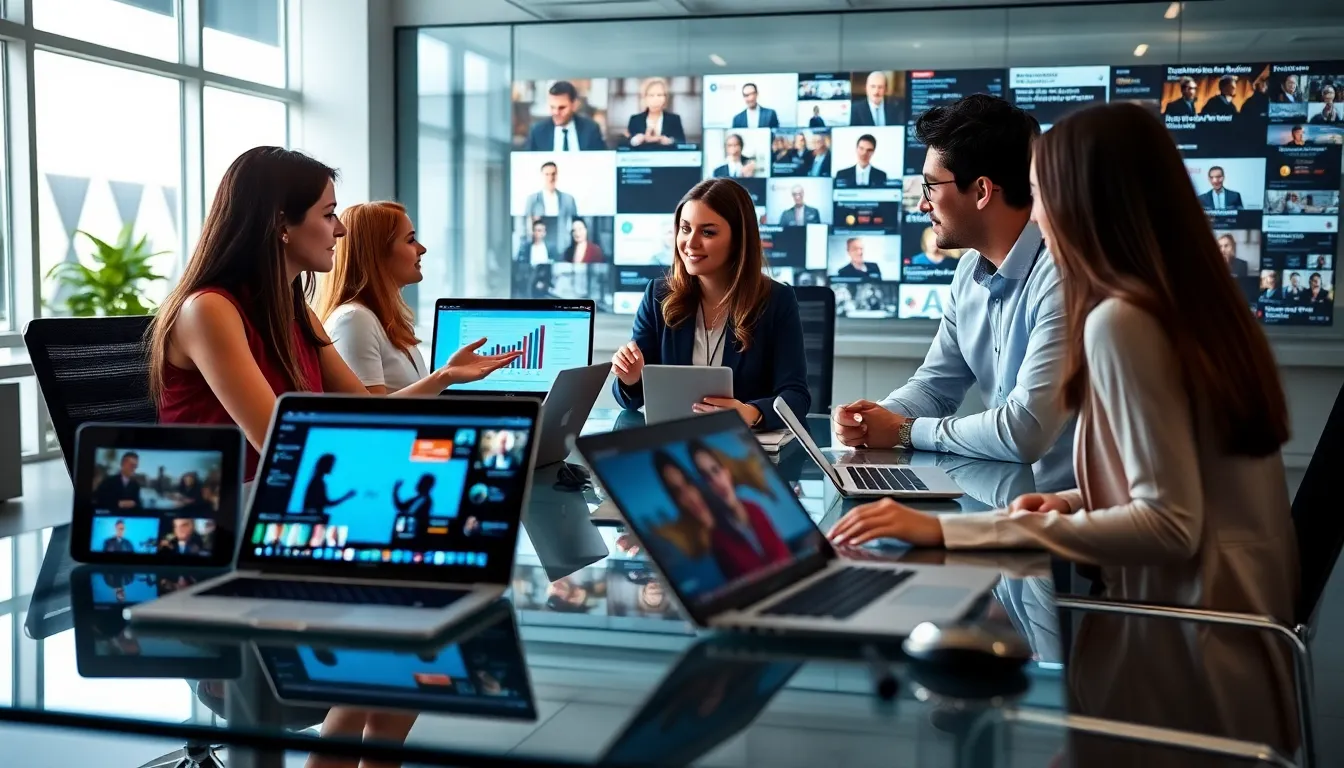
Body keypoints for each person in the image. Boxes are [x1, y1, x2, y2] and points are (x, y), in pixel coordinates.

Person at [826, 101, 1297, 755]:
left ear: (1080, 199)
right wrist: (1079, 499)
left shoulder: (1118, 320)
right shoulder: (1191, 305)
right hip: (1244, 655)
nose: (1037, 214)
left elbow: (1168, 522)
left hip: (1182, 666)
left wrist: (946, 529)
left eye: (1042, 192)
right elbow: (1177, 484)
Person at [149, 148, 445, 481]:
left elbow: (366, 411)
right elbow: (282, 444)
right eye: (329, 214)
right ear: (280, 223)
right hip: (222, 512)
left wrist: (445, 429)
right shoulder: (208, 310)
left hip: (279, 497)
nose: (341, 230)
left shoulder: (295, 311)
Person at [832, 94, 1074, 465]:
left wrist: (902, 430)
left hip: (1065, 509)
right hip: (1001, 494)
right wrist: (871, 419)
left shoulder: (1061, 276)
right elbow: (935, 386)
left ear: (981, 191)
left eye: (931, 186)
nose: (922, 204)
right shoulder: (968, 271)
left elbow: (1023, 431)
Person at [611, 178, 810, 430]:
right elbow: (632, 400)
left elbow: (796, 397)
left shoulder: (775, 301)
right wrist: (630, 379)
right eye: (685, 229)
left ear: (739, 239)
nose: (690, 243)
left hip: (746, 456)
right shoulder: (658, 295)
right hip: (673, 447)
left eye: (707, 232)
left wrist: (750, 413)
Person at [317, 201, 520, 394]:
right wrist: (444, 376)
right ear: (378, 253)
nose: (422, 249)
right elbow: (371, 417)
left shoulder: (388, 319)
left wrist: (446, 375)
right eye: (410, 240)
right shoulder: (354, 320)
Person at [650, 450, 768, 582]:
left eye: (688, 483)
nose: (689, 496)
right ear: (675, 501)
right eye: (678, 492)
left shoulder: (739, 515)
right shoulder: (691, 547)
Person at [688, 439, 791, 564]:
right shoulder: (718, 538)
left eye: (716, 470)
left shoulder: (754, 509)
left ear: (726, 472)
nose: (715, 480)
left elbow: (784, 556)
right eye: (706, 477)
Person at [524, 80, 604, 151]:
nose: (556, 112)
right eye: (552, 107)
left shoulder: (590, 129)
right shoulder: (538, 132)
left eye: (561, 108)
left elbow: (602, 161)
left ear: (574, 105)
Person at [626, 77, 685, 148]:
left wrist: (669, 141)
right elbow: (626, 144)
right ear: (645, 98)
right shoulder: (635, 119)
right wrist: (637, 140)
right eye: (651, 95)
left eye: (659, 95)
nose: (656, 99)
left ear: (665, 98)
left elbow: (682, 142)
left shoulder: (674, 119)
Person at [523, 161, 579, 229]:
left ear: (557, 175)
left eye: (553, 174)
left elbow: (576, 223)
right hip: (539, 238)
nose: (550, 178)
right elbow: (526, 224)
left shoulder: (569, 200)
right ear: (542, 176)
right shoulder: (532, 199)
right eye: (547, 174)